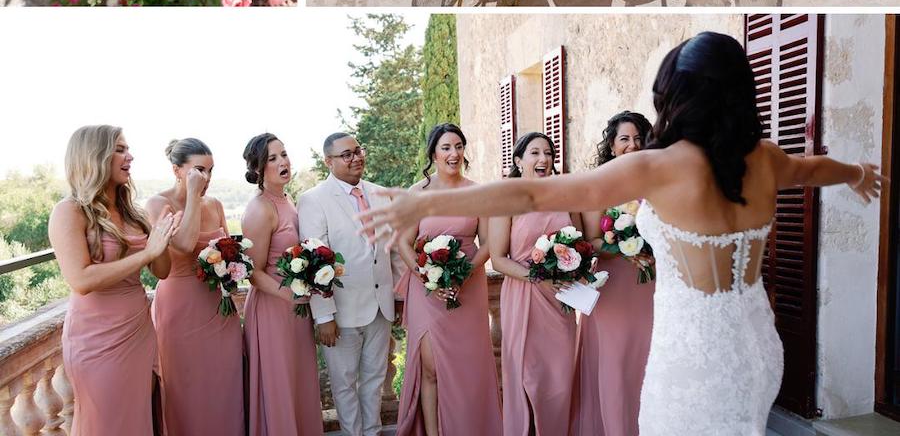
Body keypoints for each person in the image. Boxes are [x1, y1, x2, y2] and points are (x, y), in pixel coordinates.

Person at [361, 35, 885, 436]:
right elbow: (816, 168)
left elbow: (531, 196)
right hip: (755, 340)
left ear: (674, 97)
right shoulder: (767, 158)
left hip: (690, 351)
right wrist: (858, 174)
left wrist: (428, 200)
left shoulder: (660, 167)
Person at [48, 125, 177, 436]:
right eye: (120, 149)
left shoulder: (133, 212)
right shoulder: (69, 212)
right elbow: (80, 278)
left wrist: (161, 238)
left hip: (137, 330)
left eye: (127, 149)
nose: (130, 156)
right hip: (96, 338)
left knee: (138, 416)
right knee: (105, 422)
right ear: (95, 157)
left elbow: (162, 271)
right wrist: (146, 253)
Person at [394, 123, 502, 436]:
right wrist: (426, 275)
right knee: (430, 366)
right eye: (446, 148)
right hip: (427, 291)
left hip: (467, 289)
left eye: (458, 146)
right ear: (434, 154)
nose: (453, 153)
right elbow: (403, 243)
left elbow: (488, 243)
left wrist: (464, 273)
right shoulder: (418, 192)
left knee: (467, 367)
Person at [297, 132, 405, 436]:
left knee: (374, 380)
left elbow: (393, 249)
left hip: (381, 306)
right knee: (344, 384)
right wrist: (324, 316)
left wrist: (397, 296)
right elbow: (315, 260)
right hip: (340, 312)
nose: (356, 157)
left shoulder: (382, 194)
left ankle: (371, 432)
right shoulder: (313, 200)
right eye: (346, 154)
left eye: (358, 150)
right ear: (328, 161)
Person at [148, 137, 244, 436]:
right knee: (185, 388)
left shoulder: (215, 204)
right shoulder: (158, 204)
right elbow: (186, 243)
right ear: (178, 171)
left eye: (211, 170)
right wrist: (191, 195)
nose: (207, 178)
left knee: (225, 385)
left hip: (218, 308)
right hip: (180, 308)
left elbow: (230, 249)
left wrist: (233, 265)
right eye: (199, 170)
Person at [489, 131, 580, 436]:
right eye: (534, 153)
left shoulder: (566, 196)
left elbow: (580, 246)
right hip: (525, 296)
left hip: (561, 301)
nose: (544, 159)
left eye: (548, 153)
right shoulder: (507, 200)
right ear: (519, 161)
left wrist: (572, 269)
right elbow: (498, 259)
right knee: (529, 375)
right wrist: (539, 277)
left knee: (560, 376)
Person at [572, 110, 654, 436]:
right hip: (615, 287)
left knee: (648, 361)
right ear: (611, 144)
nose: (632, 145)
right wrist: (626, 247)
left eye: (638, 139)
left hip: (651, 285)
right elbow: (591, 240)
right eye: (624, 139)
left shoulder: (657, 181)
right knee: (616, 364)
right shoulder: (599, 185)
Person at [241, 133, 324, 436]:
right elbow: (252, 271)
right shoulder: (260, 209)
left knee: (299, 382)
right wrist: (289, 295)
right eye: (273, 158)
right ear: (259, 169)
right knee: (280, 386)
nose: (283, 162)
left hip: (297, 310)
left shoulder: (289, 200)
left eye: (284, 154)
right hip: (273, 310)